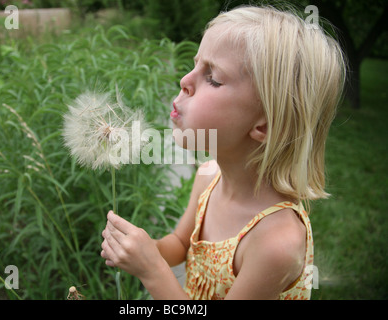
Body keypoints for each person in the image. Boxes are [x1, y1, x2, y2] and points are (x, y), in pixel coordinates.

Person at [100, 5, 346, 300]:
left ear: (264, 125)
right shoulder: (209, 175)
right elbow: (180, 243)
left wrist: (152, 271)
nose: (185, 82)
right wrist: (147, 249)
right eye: (194, 65)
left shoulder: (275, 242)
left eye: (213, 78)